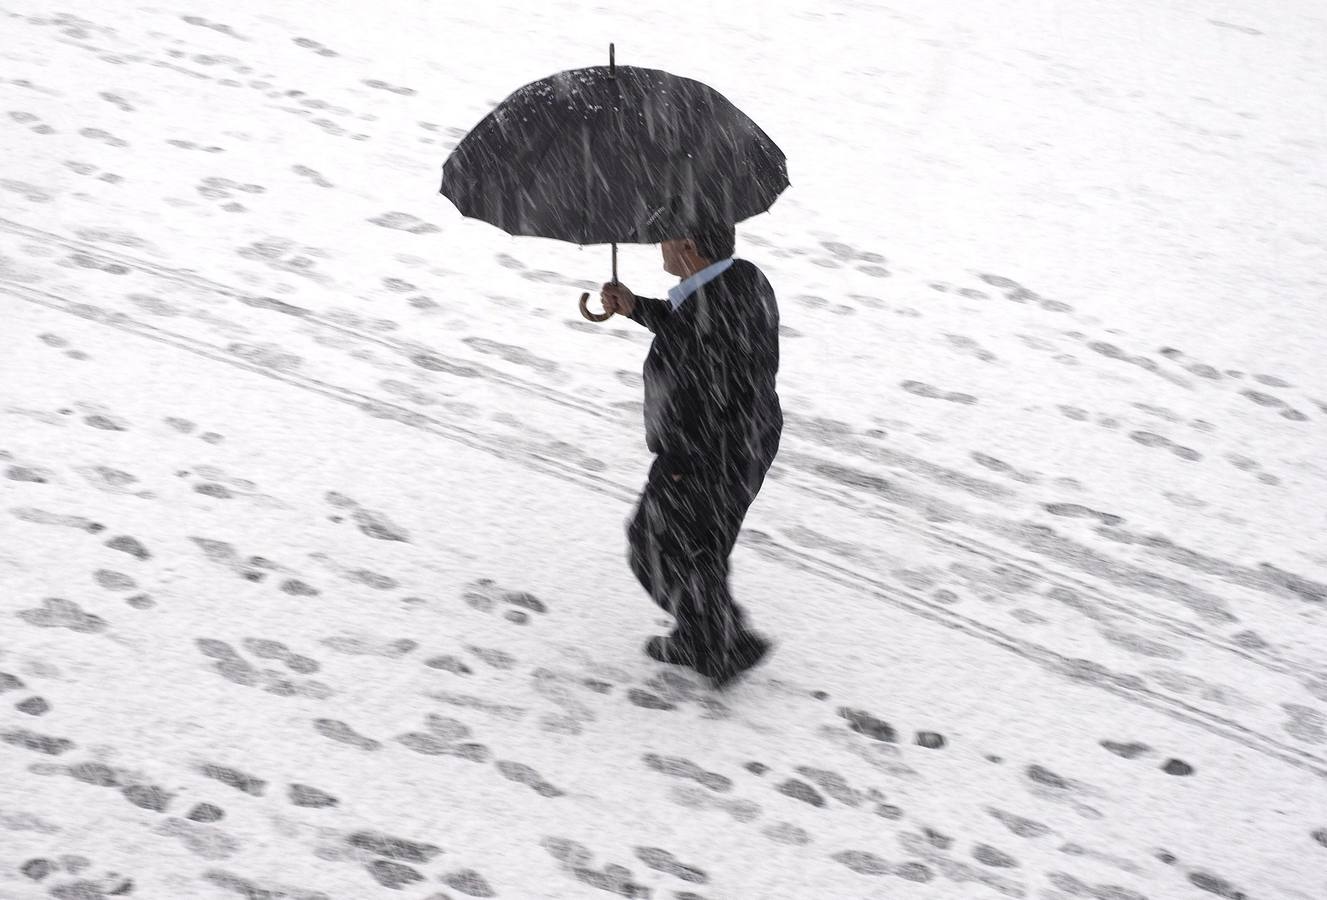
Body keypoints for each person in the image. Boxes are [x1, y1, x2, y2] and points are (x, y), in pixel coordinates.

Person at [599, 222, 783, 689]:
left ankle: (717, 643)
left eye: (665, 235)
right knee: (703, 548)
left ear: (687, 246)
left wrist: (681, 464)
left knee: (651, 543)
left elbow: (703, 376)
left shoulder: (707, 310)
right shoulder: (743, 280)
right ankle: (712, 636)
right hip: (752, 439)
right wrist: (637, 307)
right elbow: (693, 330)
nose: (657, 242)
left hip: (707, 451)